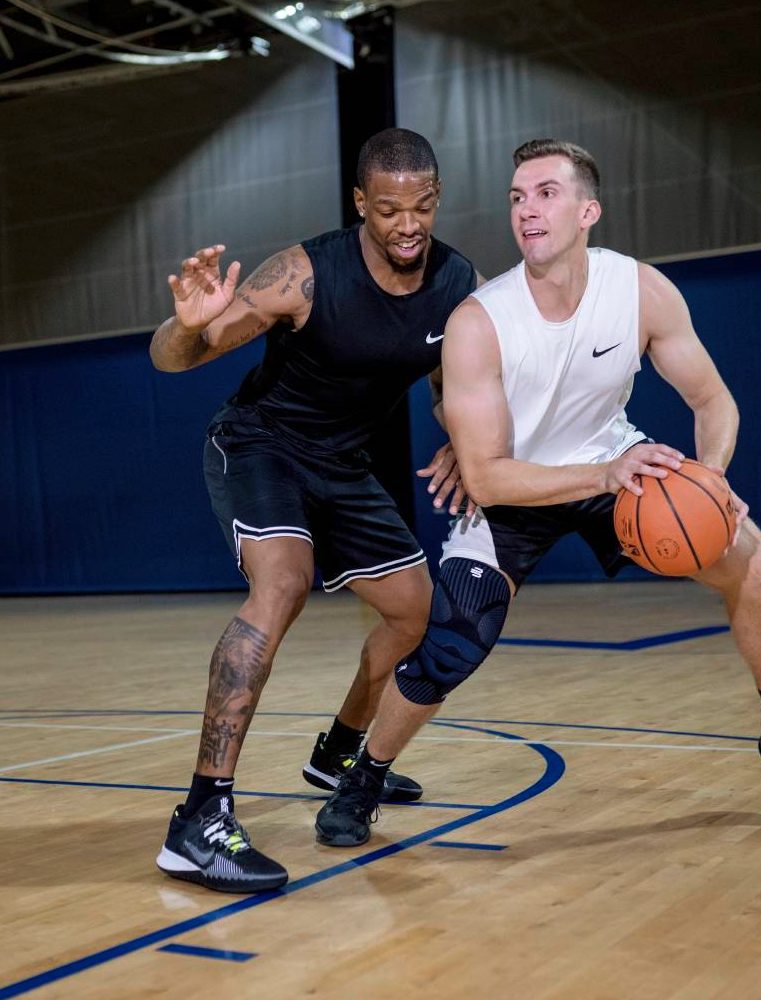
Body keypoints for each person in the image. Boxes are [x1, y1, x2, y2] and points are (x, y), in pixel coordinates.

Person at [314, 138, 761, 848]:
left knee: (752, 559)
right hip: (517, 488)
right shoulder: (478, 322)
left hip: (616, 463)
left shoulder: (640, 291)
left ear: (589, 211)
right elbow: (485, 475)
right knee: (453, 644)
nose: (527, 210)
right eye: (518, 197)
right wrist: (605, 476)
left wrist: (711, 478)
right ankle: (364, 775)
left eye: (546, 193)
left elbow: (714, 401)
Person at [149, 128, 479, 893]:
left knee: (415, 614)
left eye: (422, 207)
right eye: (389, 208)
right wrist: (189, 322)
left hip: (343, 467)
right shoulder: (304, 273)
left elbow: (452, 379)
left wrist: (463, 438)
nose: (407, 225)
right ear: (361, 203)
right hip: (260, 443)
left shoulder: (457, 281)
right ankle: (199, 819)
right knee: (283, 582)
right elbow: (172, 359)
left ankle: (338, 753)